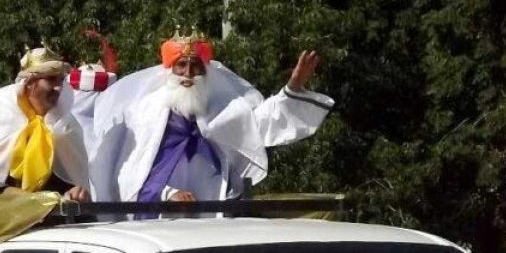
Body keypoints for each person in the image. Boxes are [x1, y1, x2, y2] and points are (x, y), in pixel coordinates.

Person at [90, 30, 335, 205]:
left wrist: (291, 90)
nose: (188, 74)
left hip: (213, 210)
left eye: (195, 66)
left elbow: (259, 125)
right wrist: (166, 195)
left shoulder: (219, 108)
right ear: (169, 71)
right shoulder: (145, 113)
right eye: (181, 65)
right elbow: (130, 171)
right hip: (160, 214)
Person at [0, 45, 90, 202]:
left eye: (61, 80)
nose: (58, 87)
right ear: (30, 82)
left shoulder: (64, 125)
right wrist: (33, 200)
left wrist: (76, 193)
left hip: (54, 223)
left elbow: (74, 182)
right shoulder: (0, 111)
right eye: (50, 79)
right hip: (2, 219)